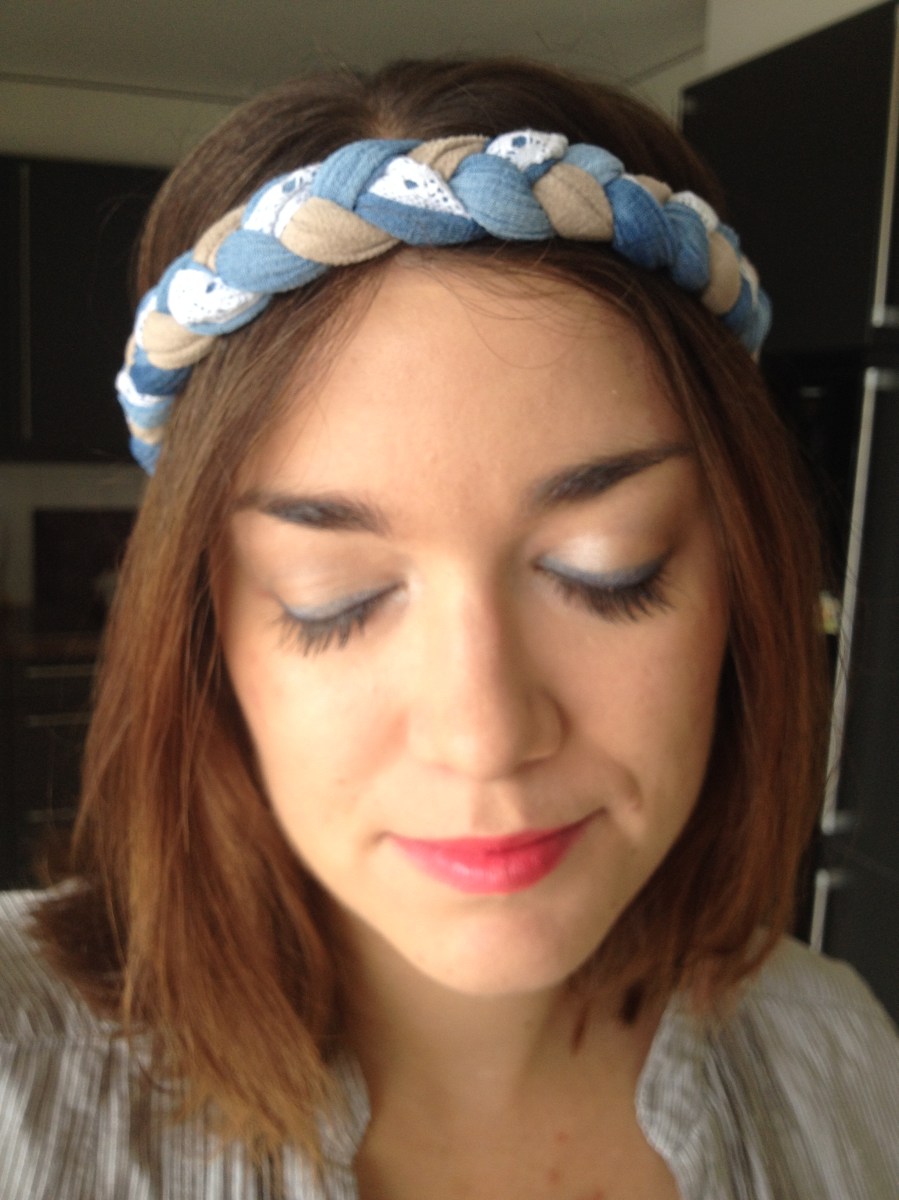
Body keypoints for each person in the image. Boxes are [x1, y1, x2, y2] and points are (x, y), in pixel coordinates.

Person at [1, 57, 896, 1200]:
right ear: (207, 632)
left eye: (607, 569)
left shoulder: (842, 1062)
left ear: (742, 576)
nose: (483, 738)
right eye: (333, 595)